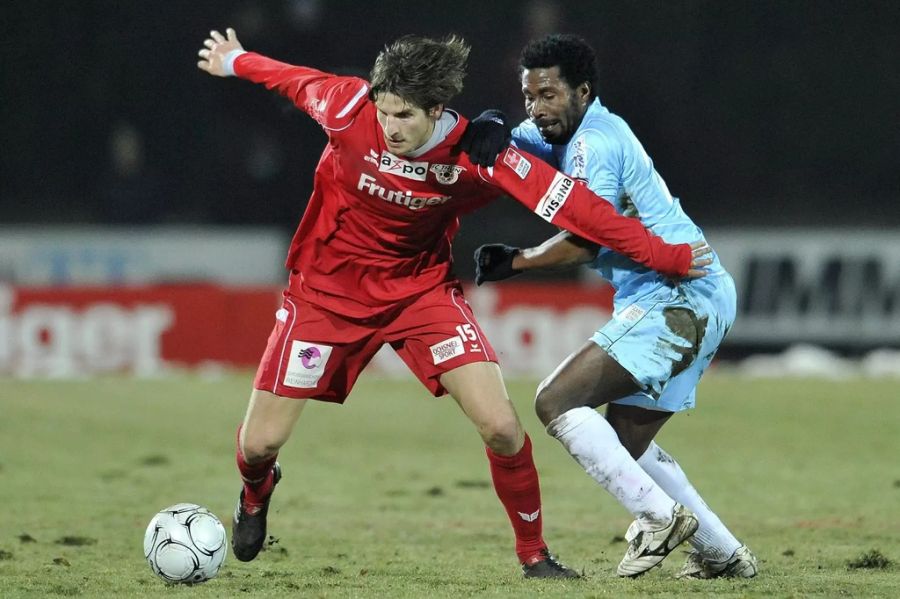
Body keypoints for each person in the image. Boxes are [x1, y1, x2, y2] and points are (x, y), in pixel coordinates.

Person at [196, 28, 710, 578]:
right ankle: (256, 493)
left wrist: (667, 254)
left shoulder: (478, 152)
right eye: (384, 111)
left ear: (436, 110)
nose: (388, 127)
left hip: (420, 292)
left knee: (502, 428)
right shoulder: (347, 105)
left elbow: (580, 211)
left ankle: (534, 556)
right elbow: (289, 79)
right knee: (259, 444)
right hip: (324, 293)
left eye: (404, 117)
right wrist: (236, 60)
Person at [470, 33, 758, 579]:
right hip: (706, 294)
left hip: (675, 297)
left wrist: (521, 261)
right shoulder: (560, 129)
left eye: (549, 94)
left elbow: (587, 237)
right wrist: (487, 121)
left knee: (555, 401)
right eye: (529, 95)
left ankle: (658, 519)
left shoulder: (595, 143)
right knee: (626, 439)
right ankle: (722, 553)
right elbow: (510, 142)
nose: (537, 108)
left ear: (582, 91)